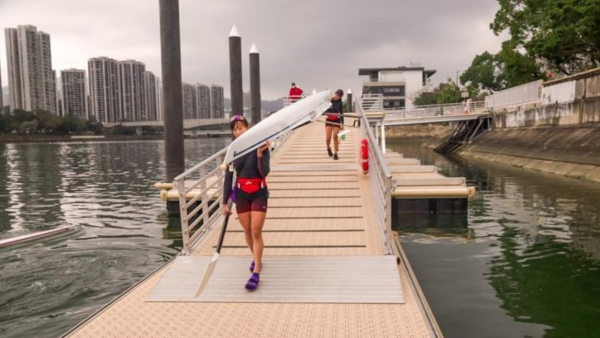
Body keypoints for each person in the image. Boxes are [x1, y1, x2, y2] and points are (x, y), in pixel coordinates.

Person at [222, 115, 270, 290]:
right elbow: (228, 178)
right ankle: (256, 257)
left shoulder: (261, 145)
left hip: (259, 191)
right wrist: (224, 203)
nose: (238, 131)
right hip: (241, 193)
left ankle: (256, 271)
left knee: (256, 231)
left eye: (241, 127)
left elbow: (265, 172)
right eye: (234, 129)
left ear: (248, 128)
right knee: (248, 230)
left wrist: (259, 155)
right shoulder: (232, 151)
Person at [324, 89, 344, 160]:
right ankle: (328, 148)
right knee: (328, 138)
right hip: (329, 120)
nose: (338, 97)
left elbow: (341, 113)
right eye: (337, 95)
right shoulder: (329, 100)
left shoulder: (340, 103)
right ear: (335, 93)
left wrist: (342, 124)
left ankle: (336, 153)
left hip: (337, 120)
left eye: (339, 96)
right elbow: (323, 108)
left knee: (335, 136)